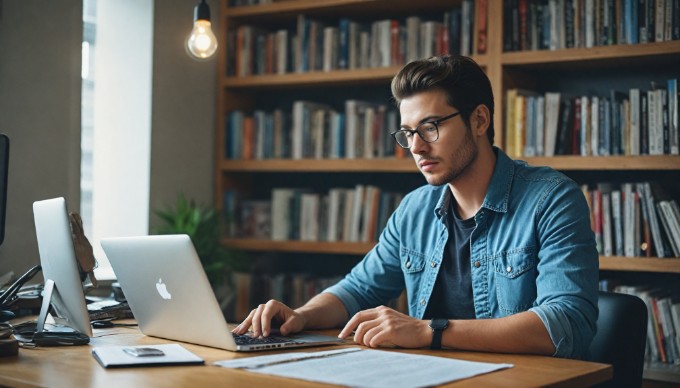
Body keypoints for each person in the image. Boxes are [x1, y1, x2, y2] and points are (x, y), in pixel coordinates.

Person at [233, 55, 598, 360]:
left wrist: (428, 331)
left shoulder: (552, 199)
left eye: (431, 127)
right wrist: (300, 316)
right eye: (408, 133)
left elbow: (564, 325)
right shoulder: (415, 209)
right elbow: (358, 289)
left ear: (480, 120)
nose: (417, 147)